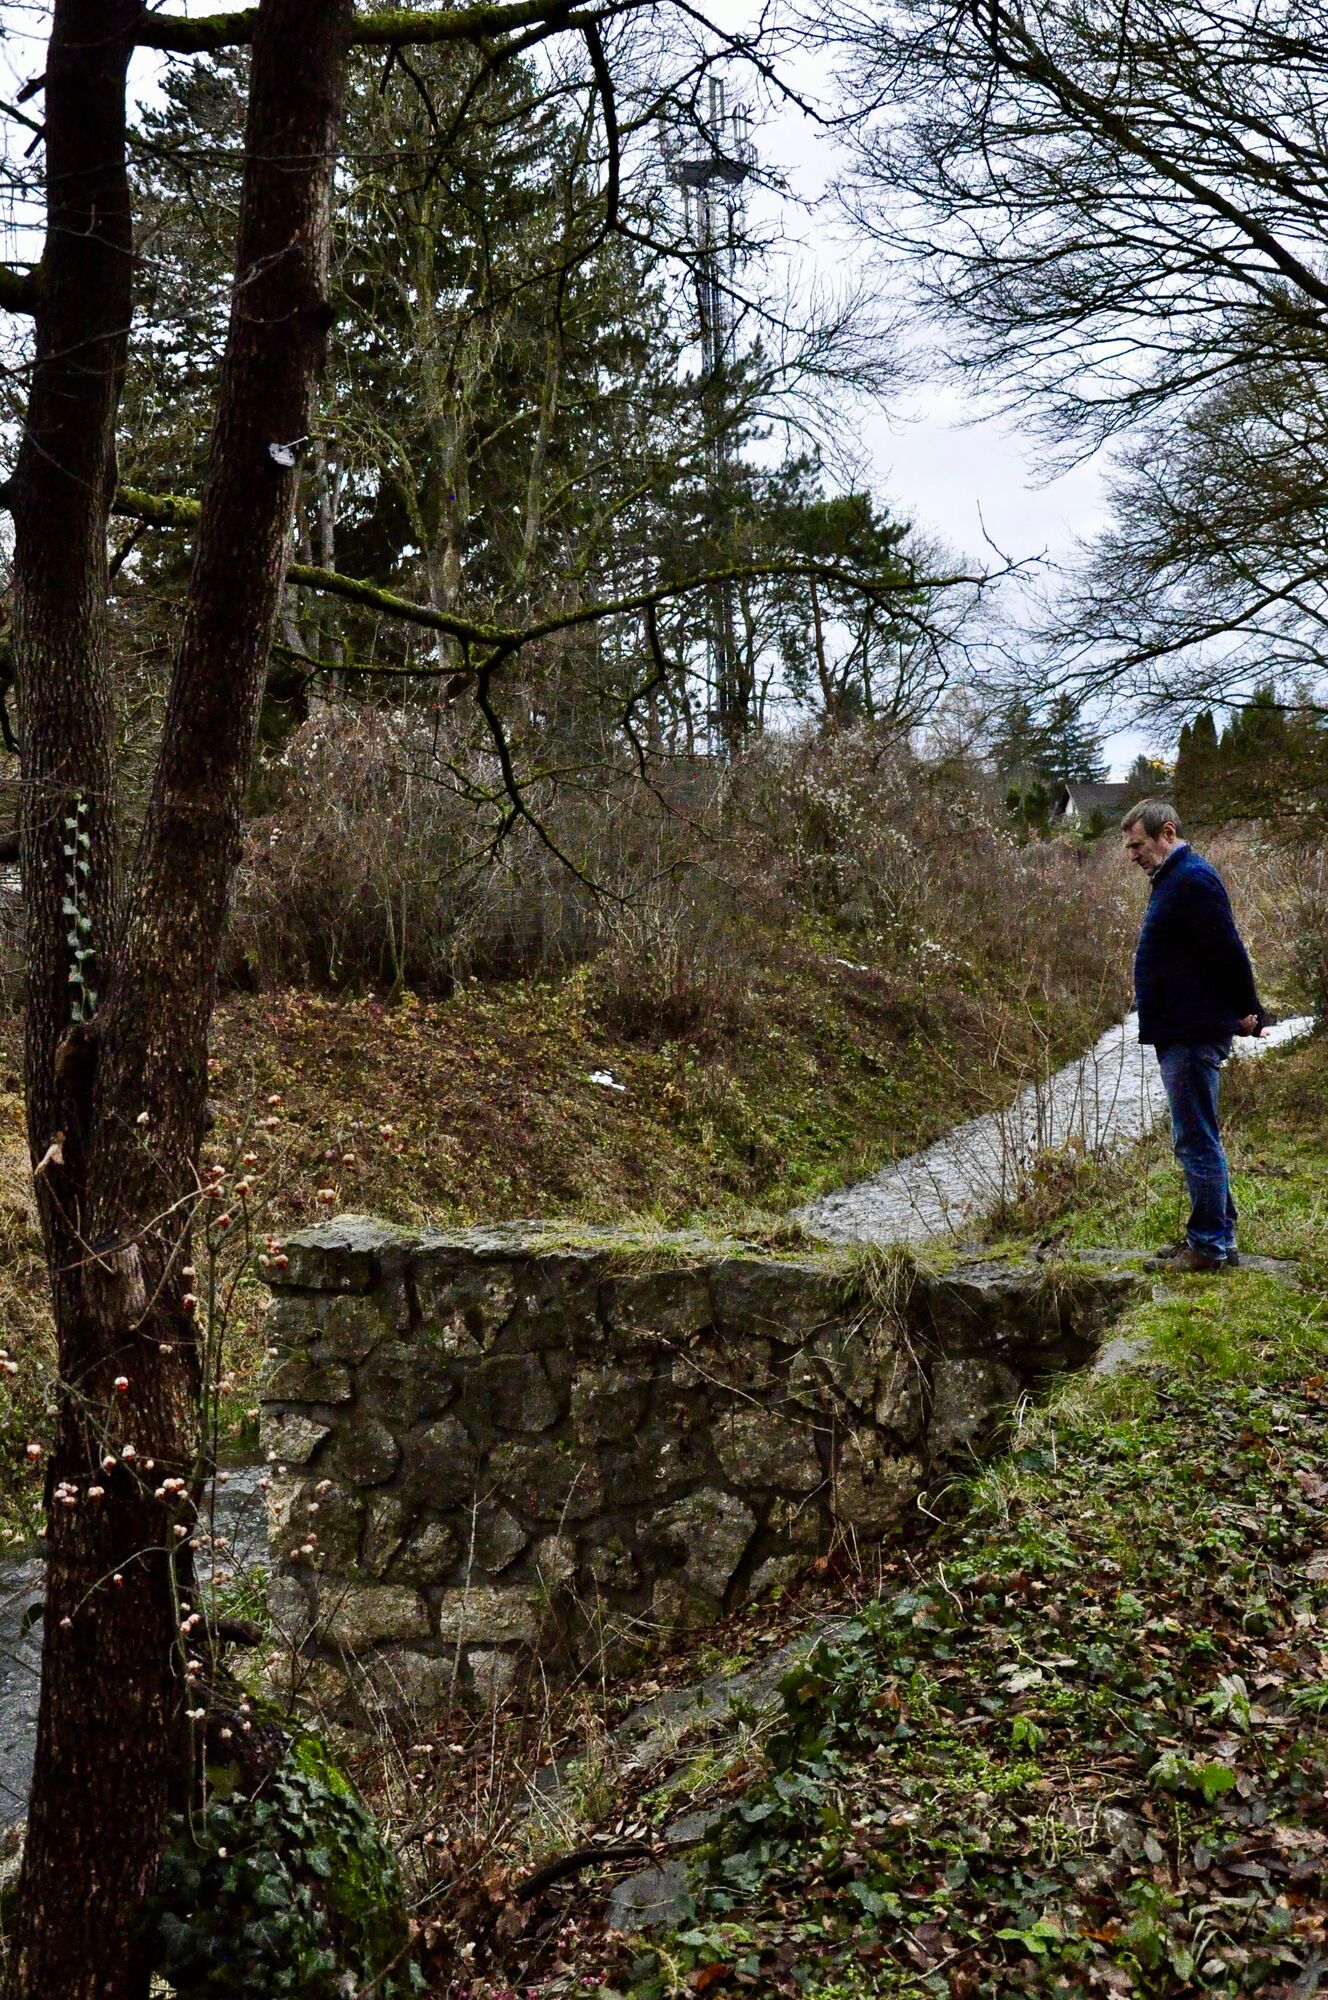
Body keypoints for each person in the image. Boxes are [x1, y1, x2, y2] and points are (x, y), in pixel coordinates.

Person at [1121, 798, 1264, 1272]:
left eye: (1137, 845)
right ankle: (1220, 1238)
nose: (1132, 855)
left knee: (1195, 1140)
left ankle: (1206, 1246)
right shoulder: (1174, 879)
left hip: (1192, 1029)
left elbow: (1227, 949)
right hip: (1182, 1026)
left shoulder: (1192, 879)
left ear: (1167, 833)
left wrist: (1248, 1009)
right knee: (1200, 1136)